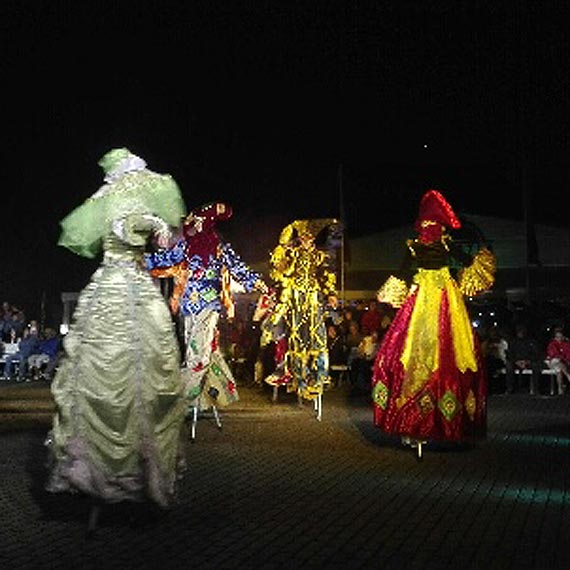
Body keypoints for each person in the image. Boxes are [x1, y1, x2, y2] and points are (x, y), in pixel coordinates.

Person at [45, 147, 188, 514]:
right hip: (133, 287)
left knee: (94, 371)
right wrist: (159, 227)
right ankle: (133, 474)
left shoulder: (102, 200)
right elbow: (166, 241)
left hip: (104, 286)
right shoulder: (141, 205)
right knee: (140, 370)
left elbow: (102, 235)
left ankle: (95, 473)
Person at [372, 189, 495, 456]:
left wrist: (392, 291)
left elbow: (405, 274)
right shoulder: (426, 246)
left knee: (445, 354)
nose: (429, 231)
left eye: (432, 227)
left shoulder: (437, 246)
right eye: (427, 226)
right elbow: (405, 274)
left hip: (439, 300)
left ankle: (436, 424)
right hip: (433, 299)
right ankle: (419, 423)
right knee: (420, 353)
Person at [146, 202, 268, 415]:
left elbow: (238, 268)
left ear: (206, 224)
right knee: (196, 355)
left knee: (200, 357)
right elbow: (162, 258)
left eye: (197, 222)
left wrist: (259, 284)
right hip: (188, 308)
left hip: (209, 306)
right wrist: (134, 258)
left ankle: (176, 402)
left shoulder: (219, 247)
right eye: (191, 222)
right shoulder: (185, 247)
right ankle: (198, 400)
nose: (191, 225)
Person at [264, 218, 339, 406]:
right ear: (300, 239)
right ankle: (300, 379)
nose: (306, 242)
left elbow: (326, 276)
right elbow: (280, 271)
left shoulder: (320, 257)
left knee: (316, 336)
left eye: (309, 239)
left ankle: (318, 377)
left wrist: (331, 293)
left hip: (313, 297)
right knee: (297, 338)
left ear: (313, 240)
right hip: (295, 297)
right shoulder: (292, 254)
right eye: (303, 238)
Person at [505, 323, 543, 395]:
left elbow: (536, 354)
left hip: (528, 361)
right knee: (509, 366)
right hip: (516, 362)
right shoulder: (513, 342)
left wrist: (527, 361)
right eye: (519, 331)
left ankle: (536, 388)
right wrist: (516, 361)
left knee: (536, 366)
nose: (520, 333)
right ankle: (509, 388)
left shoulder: (531, 342)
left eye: (522, 331)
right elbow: (509, 354)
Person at [481, 325, 509, 394]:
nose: (494, 335)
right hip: (489, 361)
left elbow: (504, 354)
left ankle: (497, 388)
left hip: (500, 361)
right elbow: (483, 353)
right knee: (488, 363)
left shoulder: (503, 343)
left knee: (492, 365)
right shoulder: (486, 343)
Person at [545, 326, 570, 395]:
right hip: (552, 362)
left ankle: (560, 389)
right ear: (555, 337)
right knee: (558, 361)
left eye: (561, 337)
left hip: (562, 364)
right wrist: (563, 359)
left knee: (559, 370)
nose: (559, 339)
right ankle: (568, 376)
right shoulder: (552, 344)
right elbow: (554, 355)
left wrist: (567, 360)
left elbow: (568, 354)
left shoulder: (566, 344)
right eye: (557, 337)